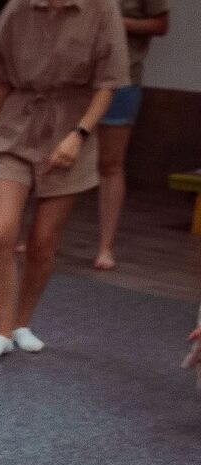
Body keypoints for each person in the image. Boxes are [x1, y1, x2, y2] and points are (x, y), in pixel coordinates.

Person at [0, 0, 128, 364]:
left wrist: (79, 134)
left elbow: (108, 84)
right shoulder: (18, 8)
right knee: (0, 231)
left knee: (43, 242)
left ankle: (22, 322)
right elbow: (0, 83)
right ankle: (3, 331)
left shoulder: (101, 10)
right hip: (15, 127)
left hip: (71, 128)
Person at [93, 0, 169, 271]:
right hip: (76, 77)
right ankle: (36, 236)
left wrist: (116, 23)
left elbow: (161, 25)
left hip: (122, 78)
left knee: (110, 164)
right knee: (57, 155)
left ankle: (105, 247)